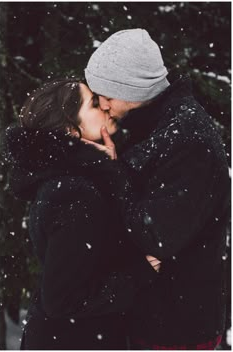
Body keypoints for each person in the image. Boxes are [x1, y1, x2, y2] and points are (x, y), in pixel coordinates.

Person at [83, 28, 230, 349]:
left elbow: (156, 235)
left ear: (132, 89)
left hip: (174, 327)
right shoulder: (157, 126)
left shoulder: (187, 140)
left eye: (106, 96)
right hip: (153, 318)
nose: (103, 106)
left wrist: (111, 171)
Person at [3, 78, 158, 350]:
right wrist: (138, 274)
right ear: (69, 130)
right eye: (95, 104)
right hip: (72, 341)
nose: (107, 108)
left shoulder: (75, 179)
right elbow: (61, 299)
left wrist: (111, 168)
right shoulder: (73, 193)